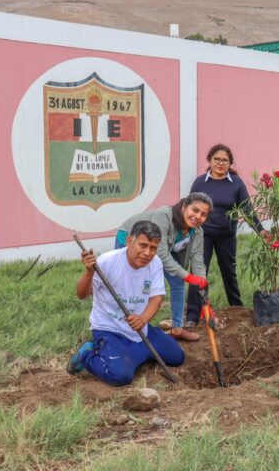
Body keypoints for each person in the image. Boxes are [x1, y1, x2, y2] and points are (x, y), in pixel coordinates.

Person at [66, 221, 185, 386]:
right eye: (143, 245)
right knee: (120, 376)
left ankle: (134, 354)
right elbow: (81, 294)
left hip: (139, 328)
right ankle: (87, 355)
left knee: (177, 357)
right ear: (130, 241)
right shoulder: (107, 261)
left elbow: (156, 298)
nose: (147, 253)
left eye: (153, 248)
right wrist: (89, 272)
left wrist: (143, 319)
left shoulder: (155, 262)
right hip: (110, 329)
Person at [116, 193, 212, 341]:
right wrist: (187, 276)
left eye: (203, 214)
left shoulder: (198, 231)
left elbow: (198, 260)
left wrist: (202, 286)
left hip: (162, 248)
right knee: (131, 282)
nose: (198, 216)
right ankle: (122, 328)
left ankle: (177, 329)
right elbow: (160, 253)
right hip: (131, 239)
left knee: (177, 281)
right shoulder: (164, 216)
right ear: (184, 207)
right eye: (195, 210)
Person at [186, 144, 267, 318]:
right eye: (217, 159)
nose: (221, 163)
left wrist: (260, 231)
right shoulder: (200, 182)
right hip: (202, 235)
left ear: (230, 163)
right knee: (198, 273)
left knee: (229, 273)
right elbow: (190, 208)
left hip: (227, 236)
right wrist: (186, 230)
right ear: (210, 160)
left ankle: (236, 308)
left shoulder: (236, 183)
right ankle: (192, 315)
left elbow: (247, 209)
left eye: (225, 160)